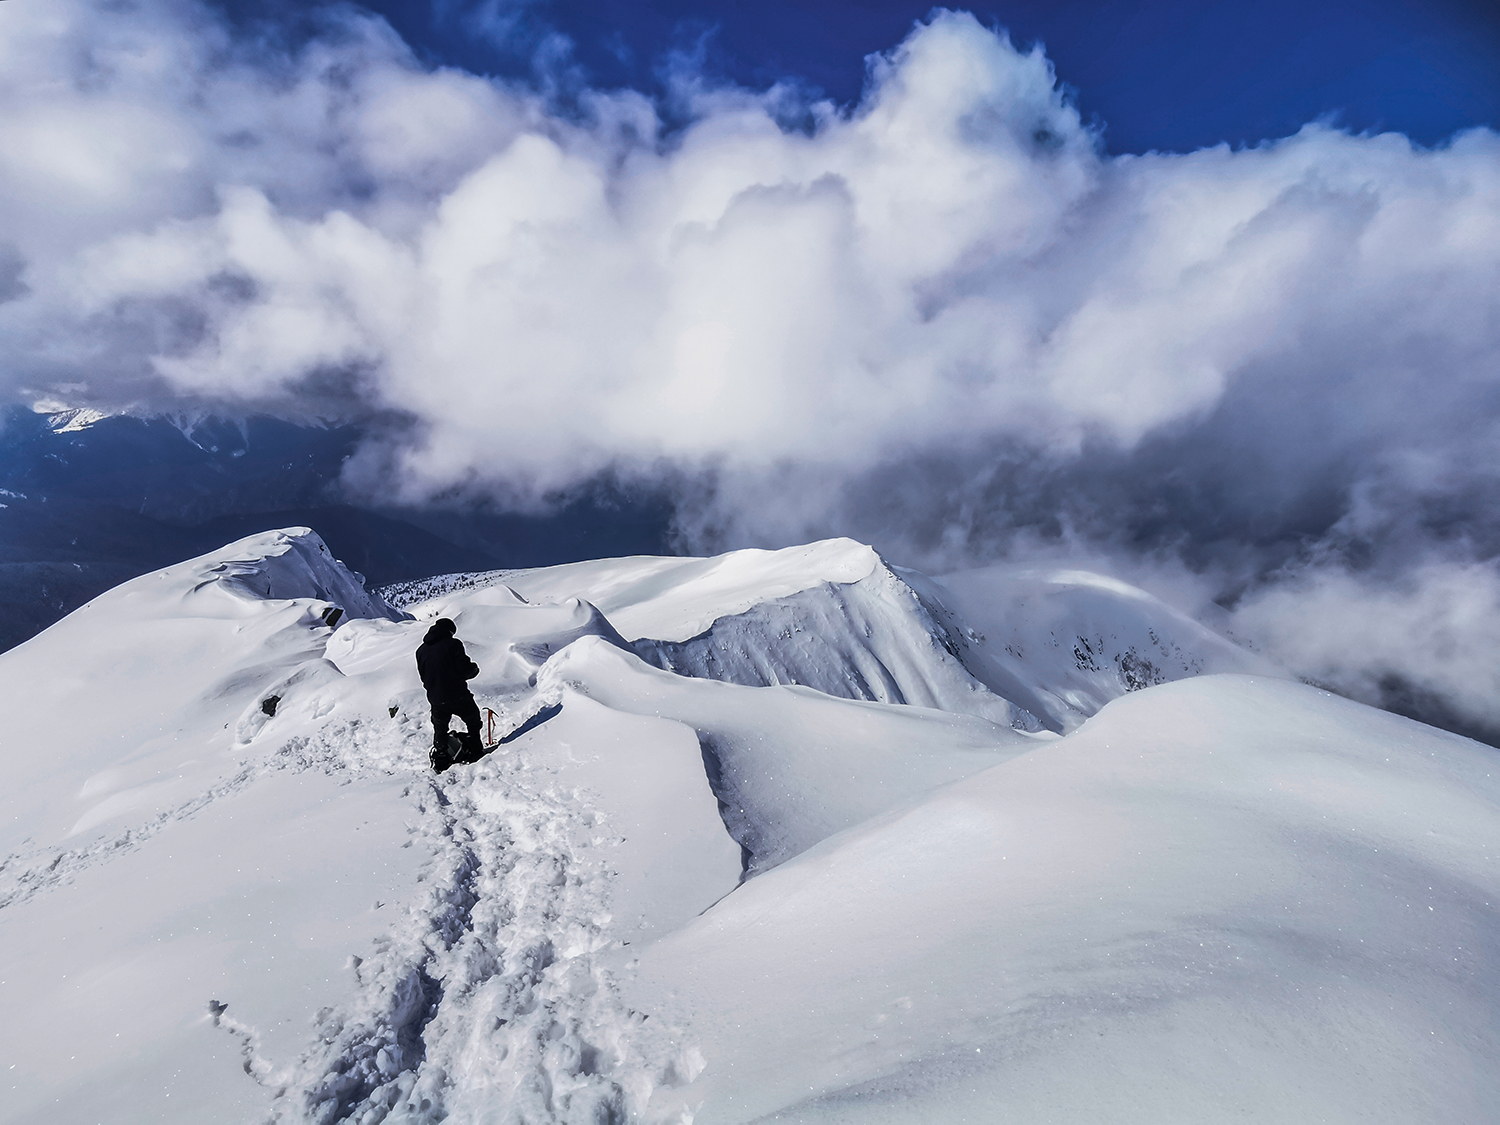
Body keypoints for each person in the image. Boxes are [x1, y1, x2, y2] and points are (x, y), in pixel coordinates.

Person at [415, 617, 482, 769]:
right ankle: (476, 749)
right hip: (456, 693)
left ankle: (441, 758)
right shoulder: (453, 644)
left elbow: (423, 676)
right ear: (450, 631)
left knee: (440, 729)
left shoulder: (420, 651)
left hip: (435, 697)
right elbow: (465, 670)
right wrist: (474, 669)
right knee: (473, 719)